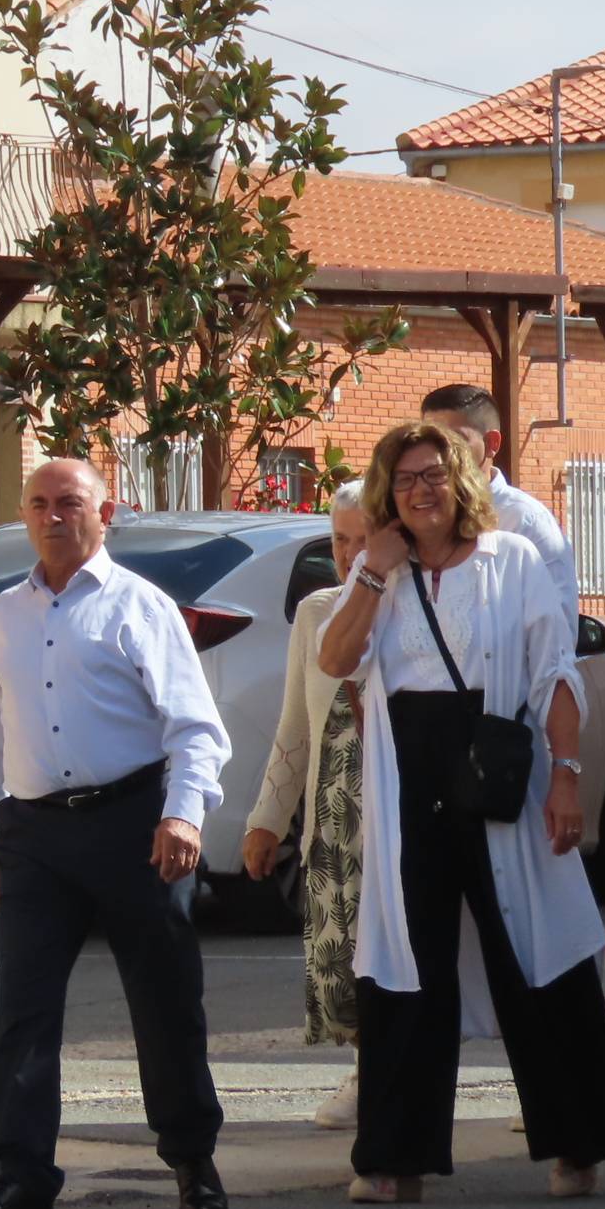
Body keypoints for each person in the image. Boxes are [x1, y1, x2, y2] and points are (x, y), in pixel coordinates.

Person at [318, 421, 605, 1205]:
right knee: (405, 964)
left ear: (460, 482)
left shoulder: (511, 561)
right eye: (405, 480)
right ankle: (394, 1157)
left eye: (433, 476)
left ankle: (576, 1143)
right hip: (408, 779)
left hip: (496, 771)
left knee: (533, 953)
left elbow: (554, 673)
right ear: (388, 494)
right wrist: (370, 572)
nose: (420, 491)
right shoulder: (378, 573)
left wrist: (565, 777)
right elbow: (334, 659)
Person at [0, 459, 232, 1209]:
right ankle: (23, 1181)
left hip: (134, 822)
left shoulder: (140, 606)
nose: (52, 517)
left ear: (103, 513)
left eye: (69, 503)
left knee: (165, 1000)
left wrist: (183, 817)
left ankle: (192, 1162)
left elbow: (196, 728)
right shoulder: (5, 614)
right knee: (24, 1011)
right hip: (37, 833)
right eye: (37, 504)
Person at [242, 482, 370, 1129]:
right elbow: (294, 724)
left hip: (392, 824)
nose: (350, 554)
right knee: (338, 952)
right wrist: (267, 818)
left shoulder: (412, 608)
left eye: (363, 539)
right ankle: (364, 1070)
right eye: (339, 540)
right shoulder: (317, 612)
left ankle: (384, 1078)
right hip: (331, 822)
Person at [420, 384, 577, 620]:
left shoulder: (524, 520)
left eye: (455, 441)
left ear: (492, 443)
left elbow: (559, 628)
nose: (440, 454)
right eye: (430, 441)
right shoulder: (417, 515)